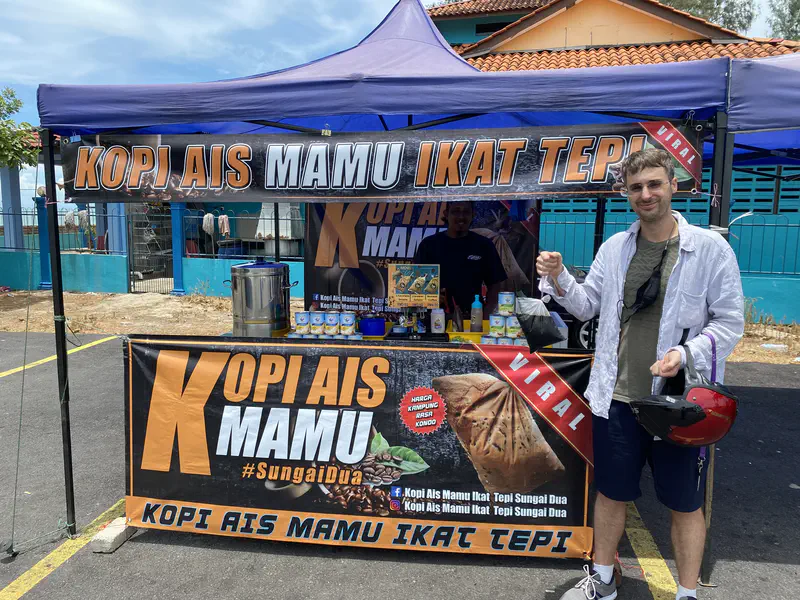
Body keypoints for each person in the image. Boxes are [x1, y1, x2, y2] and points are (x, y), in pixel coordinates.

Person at [536, 148, 744, 600]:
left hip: (680, 403)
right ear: (625, 194)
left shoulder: (710, 249)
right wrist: (557, 279)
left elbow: (729, 322)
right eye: (636, 188)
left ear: (673, 185)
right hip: (618, 396)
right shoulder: (616, 248)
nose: (645, 195)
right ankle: (605, 581)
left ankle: (686, 593)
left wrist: (684, 353)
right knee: (611, 494)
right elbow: (587, 305)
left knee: (684, 502)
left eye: (654, 184)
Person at [414, 201, 507, 316]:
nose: (461, 217)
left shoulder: (484, 245)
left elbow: (495, 285)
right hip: (435, 318)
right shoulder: (428, 245)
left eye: (466, 212)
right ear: (446, 214)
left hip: (473, 318)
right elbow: (416, 286)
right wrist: (430, 298)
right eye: (456, 212)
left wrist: (487, 316)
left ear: (473, 215)